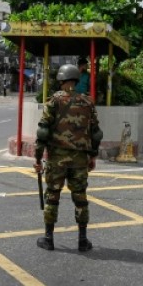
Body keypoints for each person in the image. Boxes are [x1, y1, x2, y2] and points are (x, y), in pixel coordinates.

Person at [33, 64, 102, 252]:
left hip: (56, 159)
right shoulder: (87, 102)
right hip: (80, 160)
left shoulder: (54, 102)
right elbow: (96, 134)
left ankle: (48, 238)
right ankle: (82, 240)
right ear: (76, 80)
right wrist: (93, 156)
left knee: (52, 197)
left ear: (62, 80)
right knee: (80, 198)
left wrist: (38, 159)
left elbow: (42, 132)